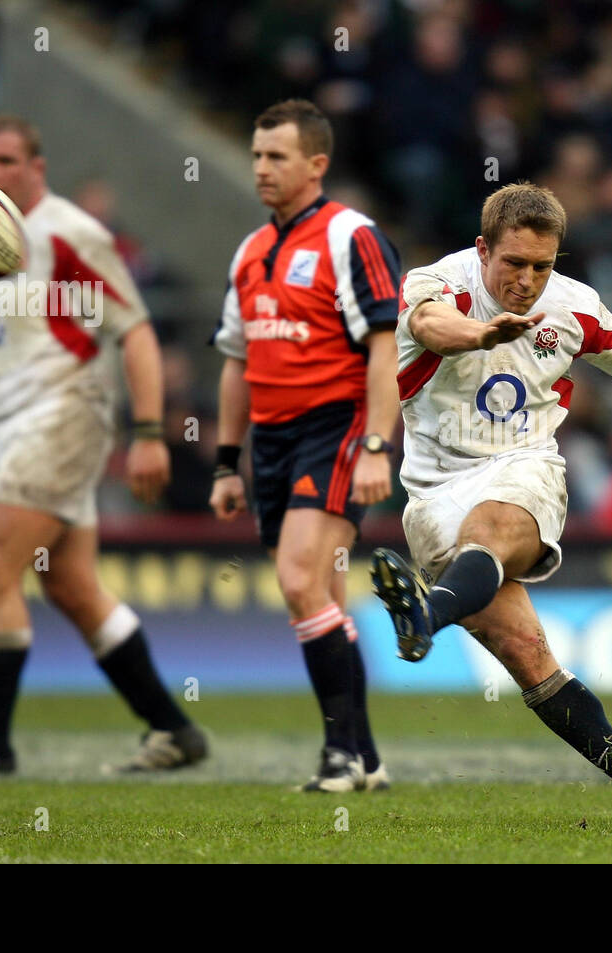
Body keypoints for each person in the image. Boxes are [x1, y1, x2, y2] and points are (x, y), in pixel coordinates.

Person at [370, 183, 612, 823]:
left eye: (542, 266)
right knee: (528, 655)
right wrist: (482, 334)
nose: (527, 280)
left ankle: (424, 617)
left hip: (523, 465)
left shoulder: (574, 307)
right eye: (513, 264)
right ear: (483, 248)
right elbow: (433, 326)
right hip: (431, 494)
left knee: (492, 526)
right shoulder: (436, 284)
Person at [0, 115, 206, 775]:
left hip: (65, 413)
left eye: (5, 161)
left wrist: (152, 433)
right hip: (7, 428)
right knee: (72, 587)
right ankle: (174, 727)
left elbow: (134, 330)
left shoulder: (70, 234)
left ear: (37, 167)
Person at [209, 100, 399, 793]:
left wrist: (377, 442)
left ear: (316, 164)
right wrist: (229, 461)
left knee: (296, 582)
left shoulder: (352, 236)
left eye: (277, 157)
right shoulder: (250, 250)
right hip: (274, 439)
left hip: (337, 425)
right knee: (321, 594)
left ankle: (339, 757)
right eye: (257, 155)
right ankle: (366, 758)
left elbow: (385, 345)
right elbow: (236, 359)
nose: (262, 168)